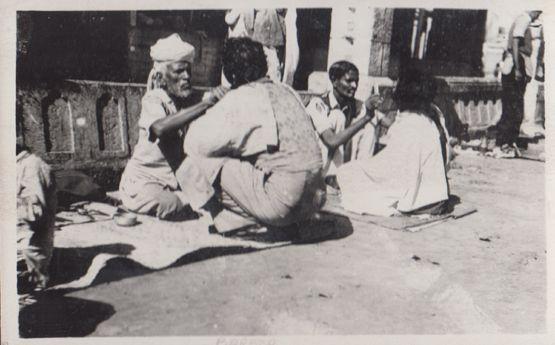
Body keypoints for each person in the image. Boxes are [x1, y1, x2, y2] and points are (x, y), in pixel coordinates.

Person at [175, 37, 325, 232]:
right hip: (315, 201)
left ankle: (243, 218)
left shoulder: (245, 95)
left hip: (285, 205)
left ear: (229, 72)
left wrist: (212, 102)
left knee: (201, 159)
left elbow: (194, 143)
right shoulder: (287, 90)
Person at [119, 33, 223, 220]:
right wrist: (206, 104)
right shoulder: (154, 99)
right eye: (178, 72)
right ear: (161, 77)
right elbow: (159, 128)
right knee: (172, 205)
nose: (186, 77)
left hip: (173, 181)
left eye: (188, 71)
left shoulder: (186, 100)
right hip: (143, 182)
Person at [336, 65, 450, 217]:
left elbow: (395, 169)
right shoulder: (433, 112)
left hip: (424, 200)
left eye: (397, 81)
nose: (394, 85)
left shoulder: (411, 120)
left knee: (347, 172)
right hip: (438, 193)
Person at [305, 60, 385, 188]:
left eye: (356, 81)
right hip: (314, 168)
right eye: (349, 81)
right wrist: (365, 118)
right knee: (339, 117)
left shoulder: (354, 104)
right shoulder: (318, 103)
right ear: (334, 81)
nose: (354, 85)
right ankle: (329, 179)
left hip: (341, 167)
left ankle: (359, 179)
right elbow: (331, 141)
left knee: (370, 126)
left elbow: (385, 120)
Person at [494, 11, 542, 157]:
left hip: (519, 65)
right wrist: (518, 69)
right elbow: (515, 43)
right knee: (512, 107)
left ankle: (508, 142)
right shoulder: (523, 19)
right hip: (515, 66)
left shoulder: (528, 22)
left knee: (516, 107)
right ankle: (503, 143)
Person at [17, 141, 57, 292]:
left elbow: (34, 212)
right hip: (22, 230)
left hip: (32, 233)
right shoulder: (17, 164)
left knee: (34, 253)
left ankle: (38, 281)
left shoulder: (33, 167)